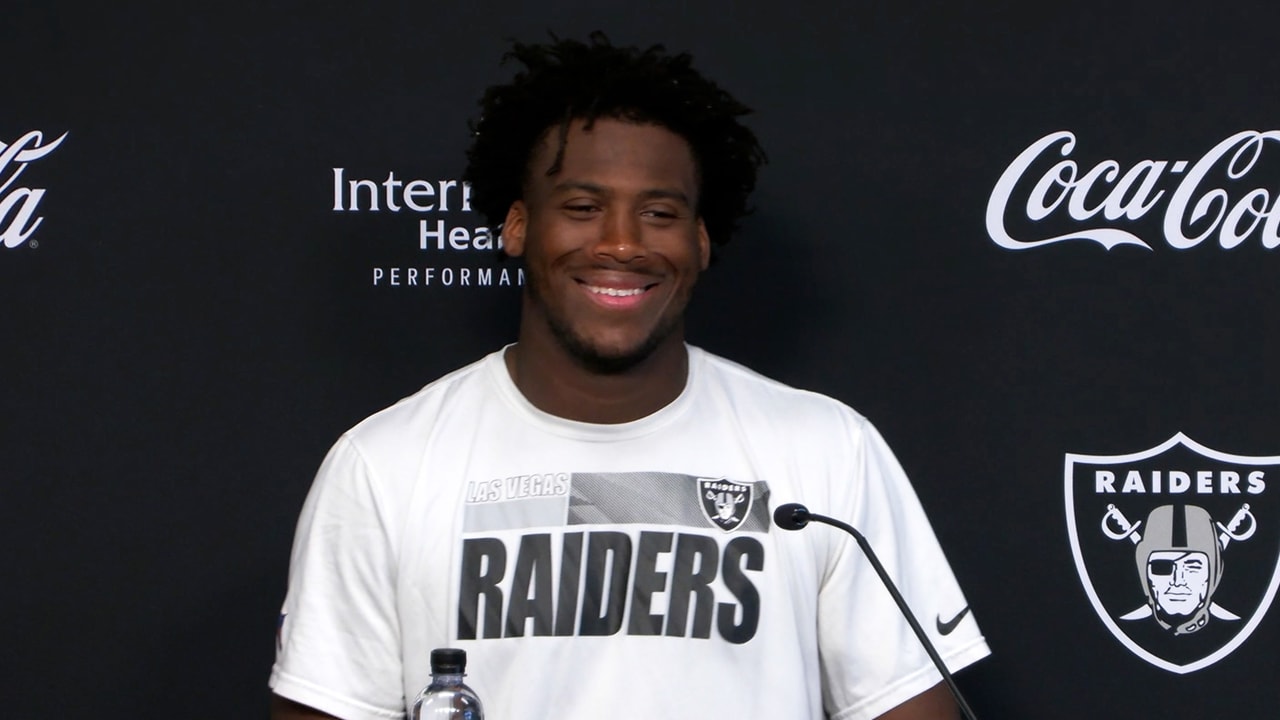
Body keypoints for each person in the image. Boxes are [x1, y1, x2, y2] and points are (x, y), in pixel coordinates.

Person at [270, 33, 989, 720]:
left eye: (659, 212)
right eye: (583, 208)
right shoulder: (384, 465)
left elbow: (907, 707)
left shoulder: (829, 449)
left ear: (701, 240)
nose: (622, 242)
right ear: (519, 225)